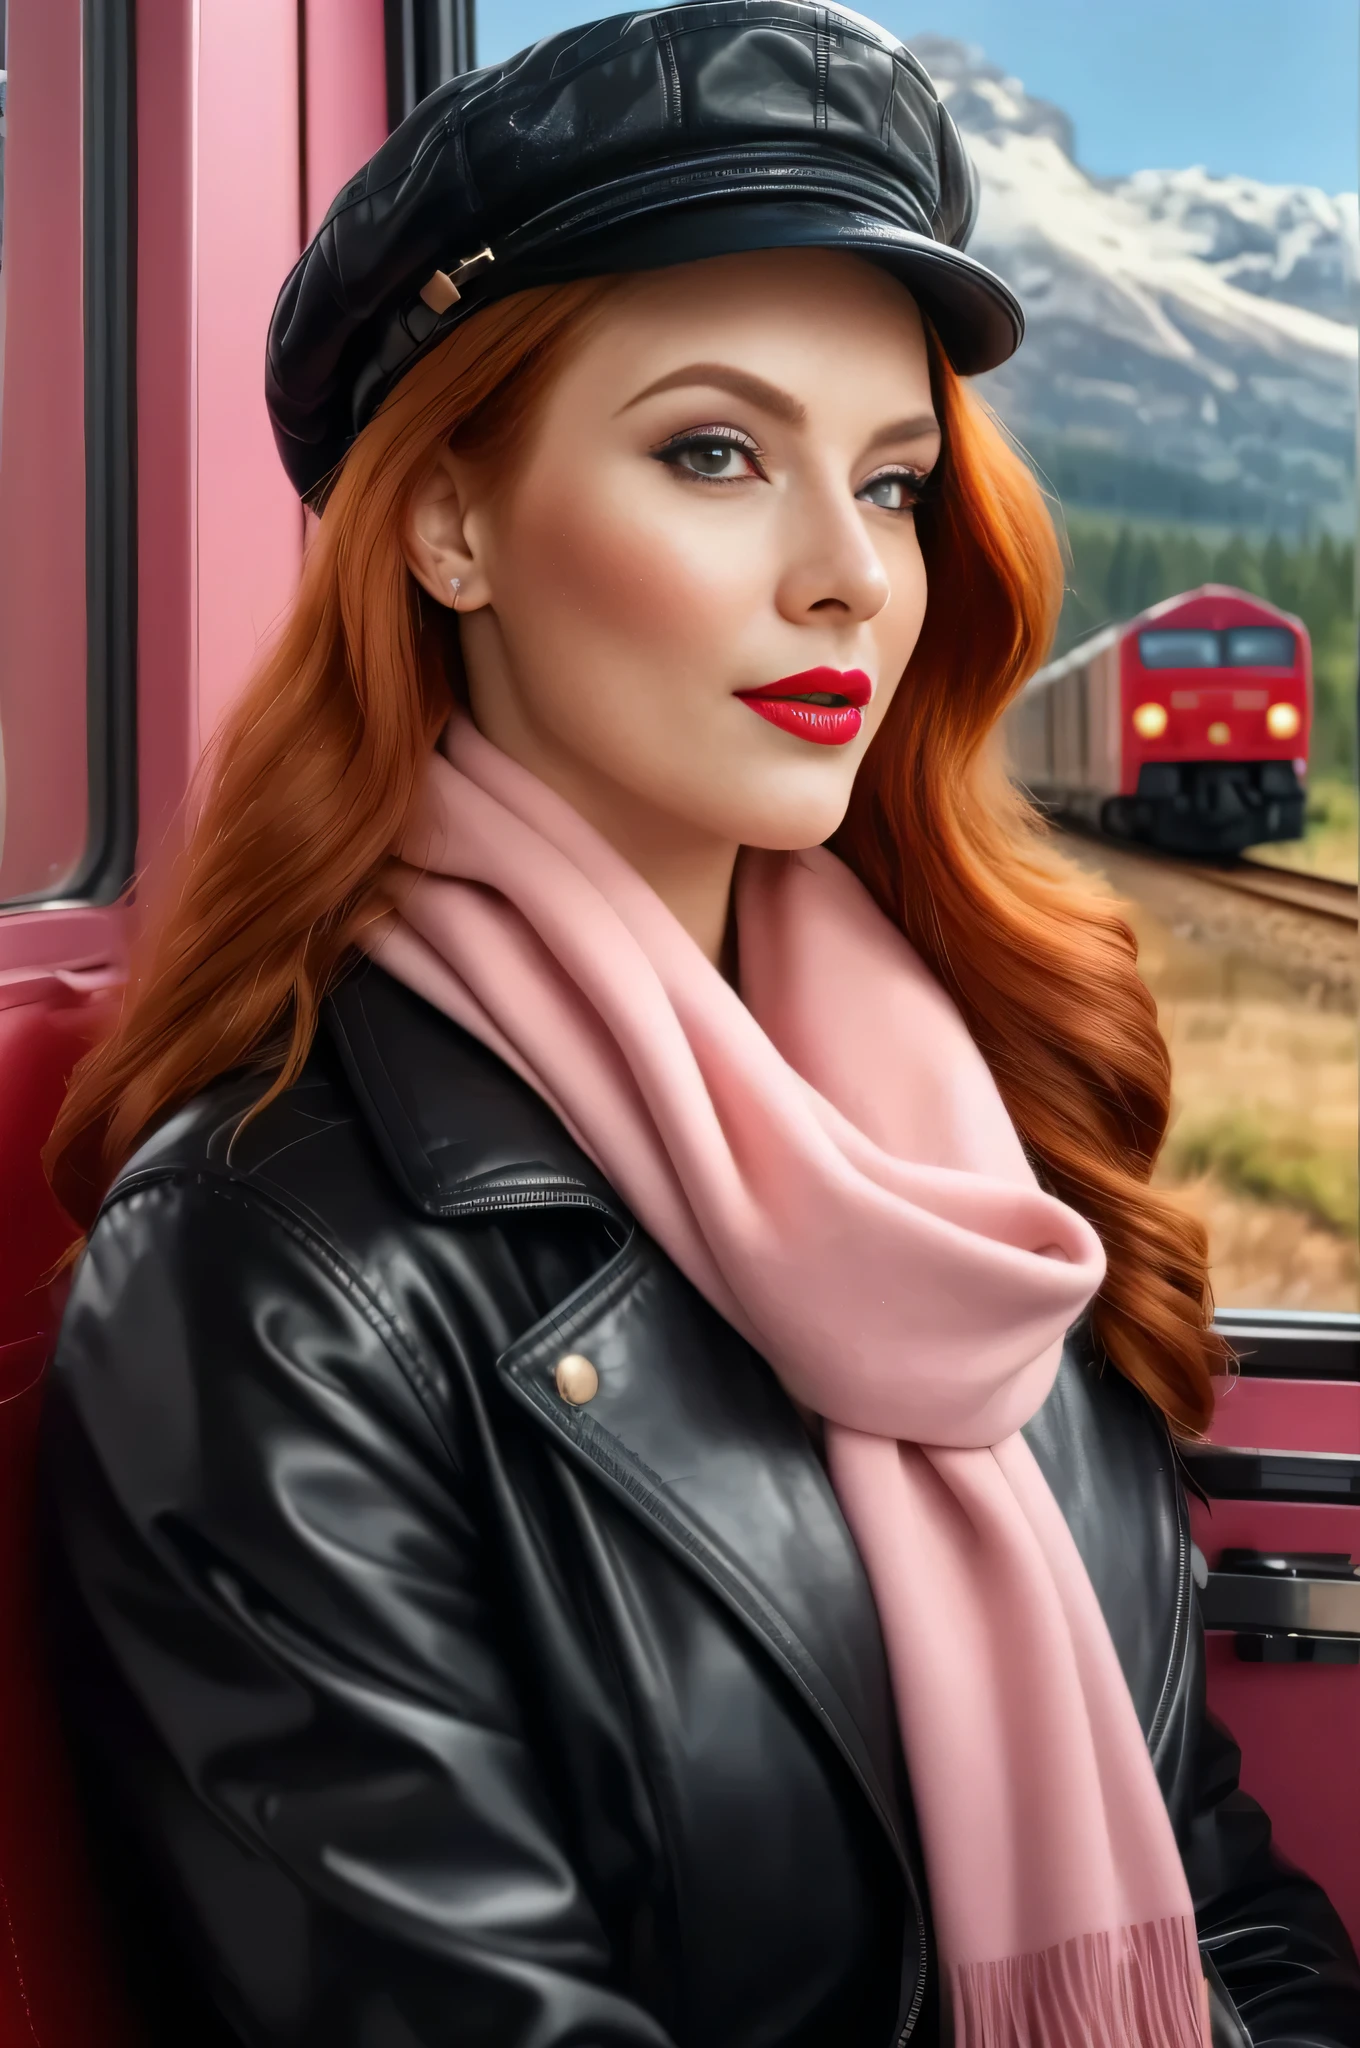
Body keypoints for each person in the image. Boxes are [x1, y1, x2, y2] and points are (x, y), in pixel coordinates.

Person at [36, 8, 1360, 2046]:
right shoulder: (271, 1276)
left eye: (896, 481)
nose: (847, 574)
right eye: (712, 452)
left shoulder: (968, 1139)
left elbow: (1211, 1900)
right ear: (447, 526)